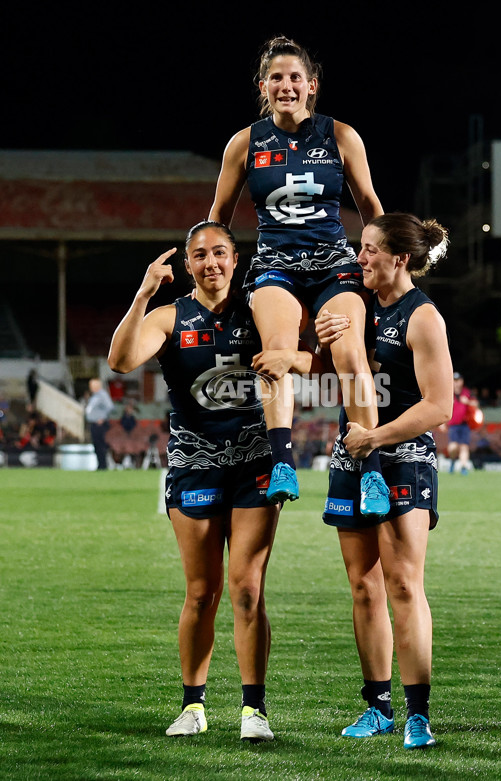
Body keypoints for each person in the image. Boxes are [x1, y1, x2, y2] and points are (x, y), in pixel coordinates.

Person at [108, 221, 314, 742]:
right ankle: (193, 705)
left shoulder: (261, 308)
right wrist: (143, 293)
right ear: (188, 263)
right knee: (202, 592)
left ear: (236, 257)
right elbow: (120, 361)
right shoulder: (170, 316)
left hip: (255, 464)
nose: (211, 263)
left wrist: (302, 354)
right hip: (195, 464)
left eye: (220, 252)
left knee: (248, 587)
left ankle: (254, 711)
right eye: (199, 255)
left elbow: (301, 364)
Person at [208, 34, 389, 518]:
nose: (285, 86)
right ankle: (283, 463)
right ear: (262, 86)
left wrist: (383, 265)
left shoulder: (342, 135)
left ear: (311, 85)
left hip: (335, 263)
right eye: (276, 78)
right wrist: (213, 278)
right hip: (275, 265)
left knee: (351, 354)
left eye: (294, 78)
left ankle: (370, 468)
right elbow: (217, 221)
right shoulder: (244, 143)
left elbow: (371, 209)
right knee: (275, 356)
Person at [316, 212, 453, 749]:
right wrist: (318, 344)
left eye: (370, 249)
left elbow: (438, 405)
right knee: (364, 586)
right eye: (360, 246)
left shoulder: (423, 318)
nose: (360, 257)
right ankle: (377, 707)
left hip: (403, 454)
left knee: (402, 583)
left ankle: (418, 716)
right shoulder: (355, 306)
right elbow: (331, 371)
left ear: (399, 258)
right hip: (354, 452)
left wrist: (378, 437)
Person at [444, 372, 479, 475]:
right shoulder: (448, 394)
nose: (456, 383)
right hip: (453, 425)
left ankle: (463, 467)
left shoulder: (467, 393)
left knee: (464, 446)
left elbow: (476, 404)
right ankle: (452, 460)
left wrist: (467, 402)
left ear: (462, 381)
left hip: (465, 424)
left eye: (458, 380)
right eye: (454, 380)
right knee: (453, 446)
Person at [85, 378, 114, 470]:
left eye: (92, 385)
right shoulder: (95, 396)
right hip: (94, 423)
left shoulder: (102, 395)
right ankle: (100, 464)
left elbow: (110, 407)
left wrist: (102, 417)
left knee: (100, 445)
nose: (90, 387)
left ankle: (103, 465)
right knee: (96, 445)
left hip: (99, 424)